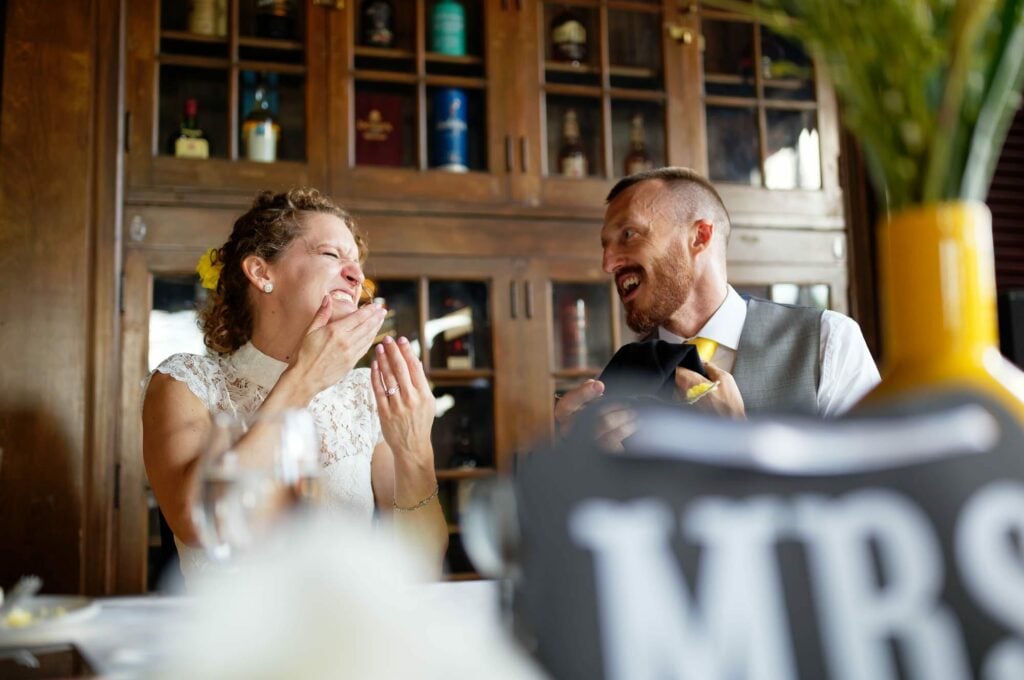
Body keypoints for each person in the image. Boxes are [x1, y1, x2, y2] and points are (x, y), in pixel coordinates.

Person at [142, 188, 447, 584]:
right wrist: (304, 380)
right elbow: (202, 524)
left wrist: (415, 450)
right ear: (262, 272)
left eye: (356, 263)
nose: (357, 276)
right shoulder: (186, 383)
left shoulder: (362, 393)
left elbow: (420, 562)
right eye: (331, 255)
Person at [555, 167, 880, 439]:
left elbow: (877, 497)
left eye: (629, 234)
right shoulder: (620, 377)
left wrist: (738, 439)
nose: (608, 263)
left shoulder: (829, 342)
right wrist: (580, 462)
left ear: (700, 237)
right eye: (605, 246)